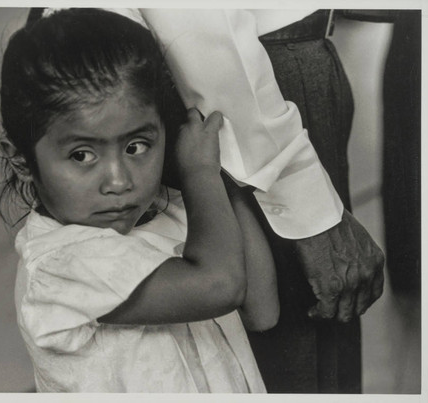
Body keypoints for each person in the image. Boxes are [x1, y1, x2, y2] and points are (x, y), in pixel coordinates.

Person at [0, 8, 279, 392]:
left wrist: (221, 179)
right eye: (82, 155)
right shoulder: (58, 267)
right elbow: (220, 285)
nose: (119, 181)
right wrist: (200, 174)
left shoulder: (174, 210)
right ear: (22, 160)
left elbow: (262, 309)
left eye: (136, 146)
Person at [136, 9, 386, 392]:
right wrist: (296, 193)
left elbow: (261, 308)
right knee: (295, 372)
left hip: (261, 84)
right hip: (248, 91)